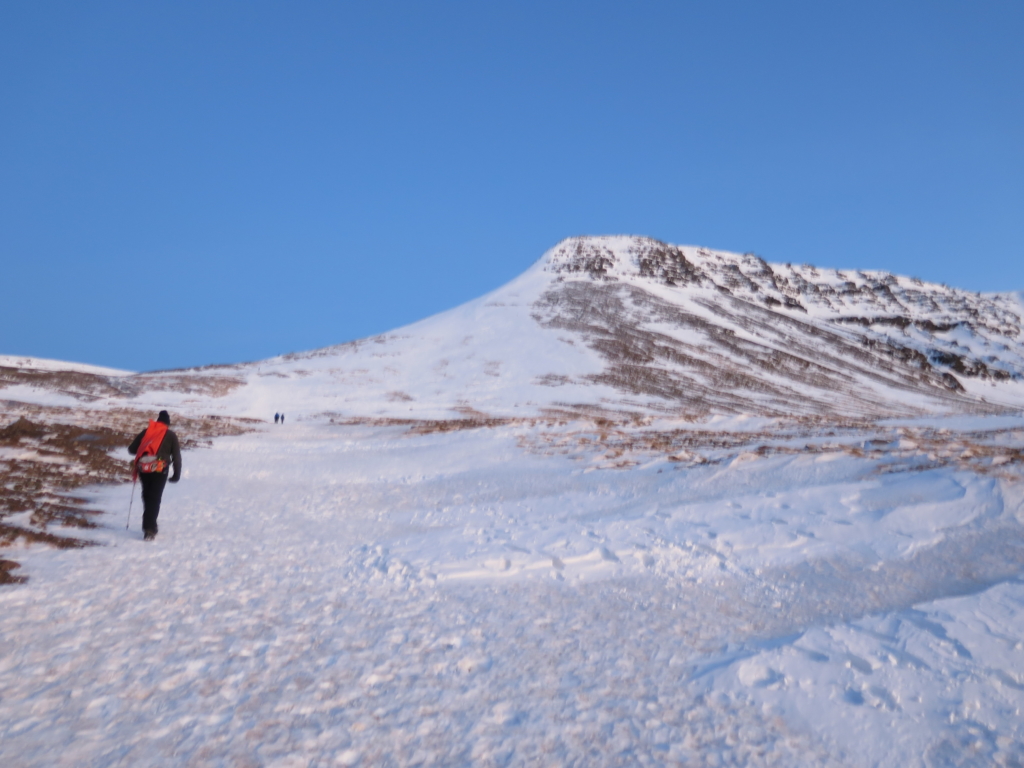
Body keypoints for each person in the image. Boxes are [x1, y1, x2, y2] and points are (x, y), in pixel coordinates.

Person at [127, 410, 182, 541]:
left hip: (144, 469)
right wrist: (176, 474)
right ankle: (150, 529)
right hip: (159, 469)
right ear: (167, 424)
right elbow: (176, 456)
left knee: (147, 496)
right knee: (155, 497)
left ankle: (150, 526)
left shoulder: (147, 432)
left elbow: (131, 449)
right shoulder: (170, 435)